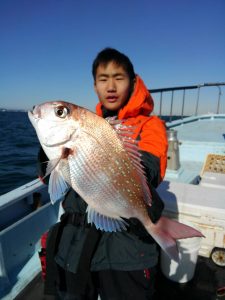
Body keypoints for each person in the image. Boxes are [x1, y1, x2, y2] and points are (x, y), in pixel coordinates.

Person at [39, 48, 168, 300]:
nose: (111, 86)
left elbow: (150, 172)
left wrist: (107, 157)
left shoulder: (150, 125)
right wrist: (49, 144)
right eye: (103, 78)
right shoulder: (89, 123)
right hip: (76, 247)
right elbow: (52, 181)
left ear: (133, 82)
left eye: (118, 77)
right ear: (95, 86)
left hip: (125, 250)